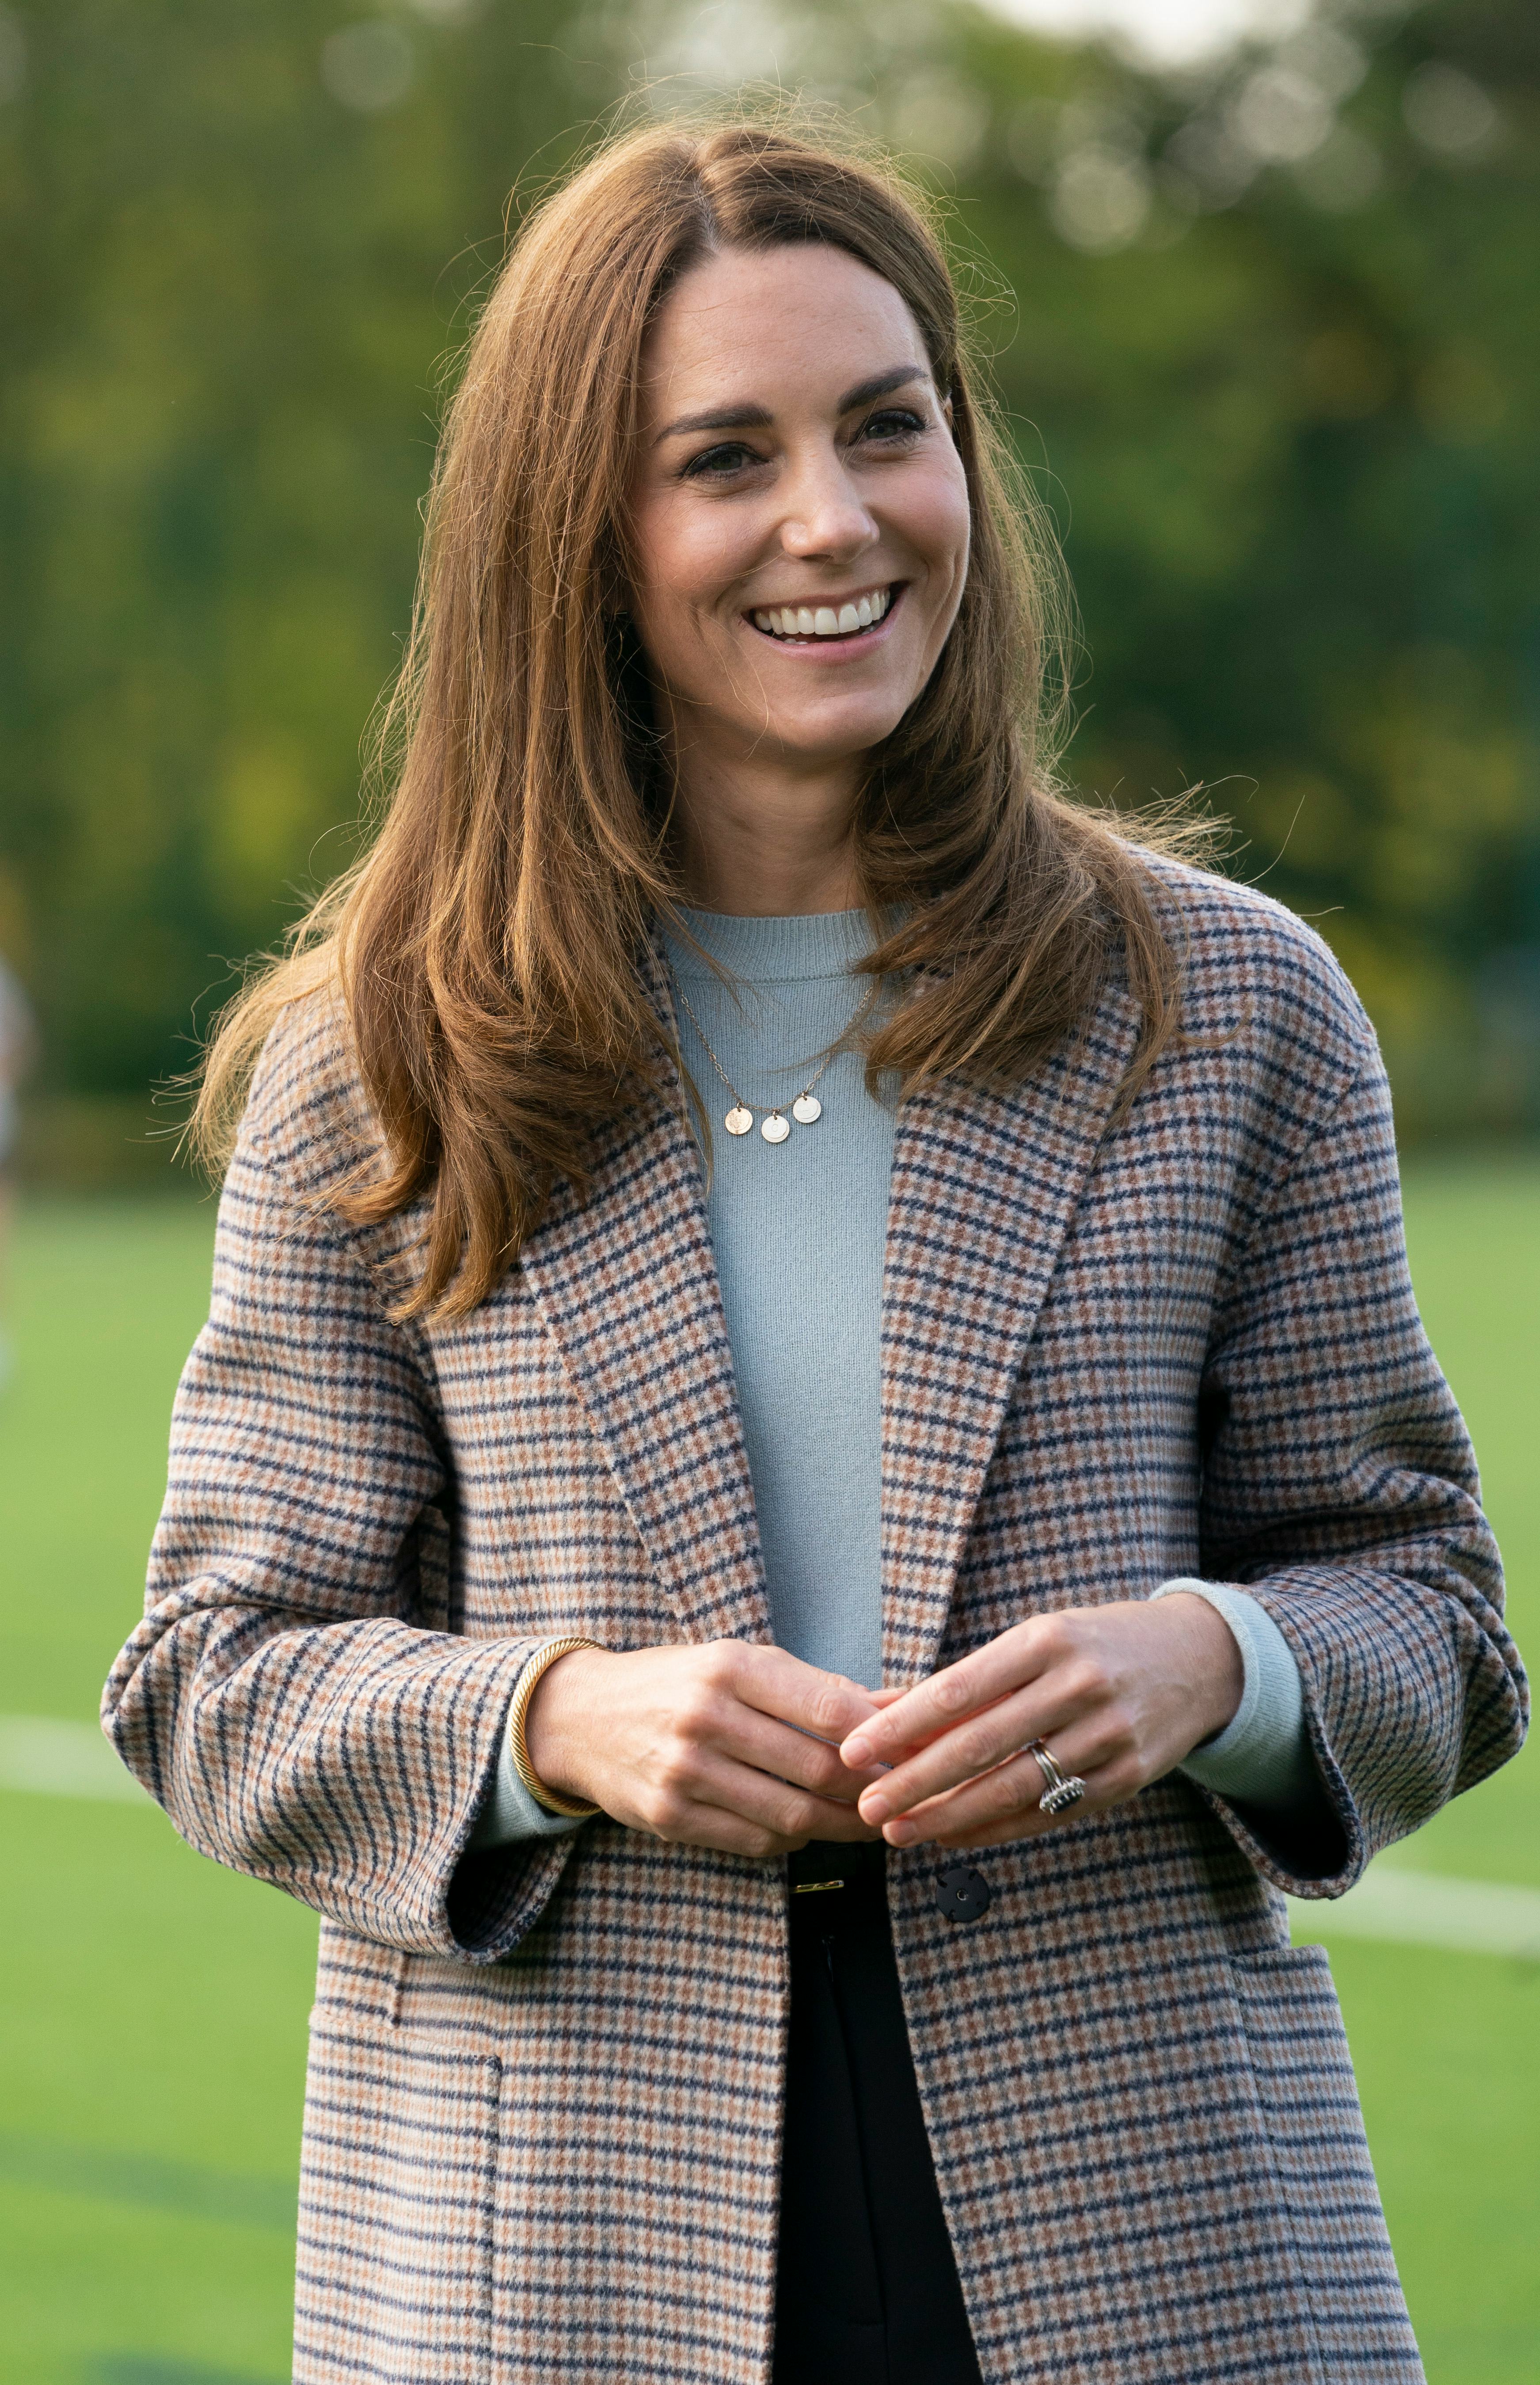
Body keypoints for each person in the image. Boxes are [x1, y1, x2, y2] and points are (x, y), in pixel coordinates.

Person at [103, 118, 1525, 2385]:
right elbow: (211, 1675)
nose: (830, 521)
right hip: (557, 2251)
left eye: (888, 428)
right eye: (719, 457)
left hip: (1145, 2236)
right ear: (577, 531)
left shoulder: (1223, 1006)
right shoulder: (380, 1061)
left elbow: (1430, 1614)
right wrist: (553, 1717)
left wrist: (1212, 1664)